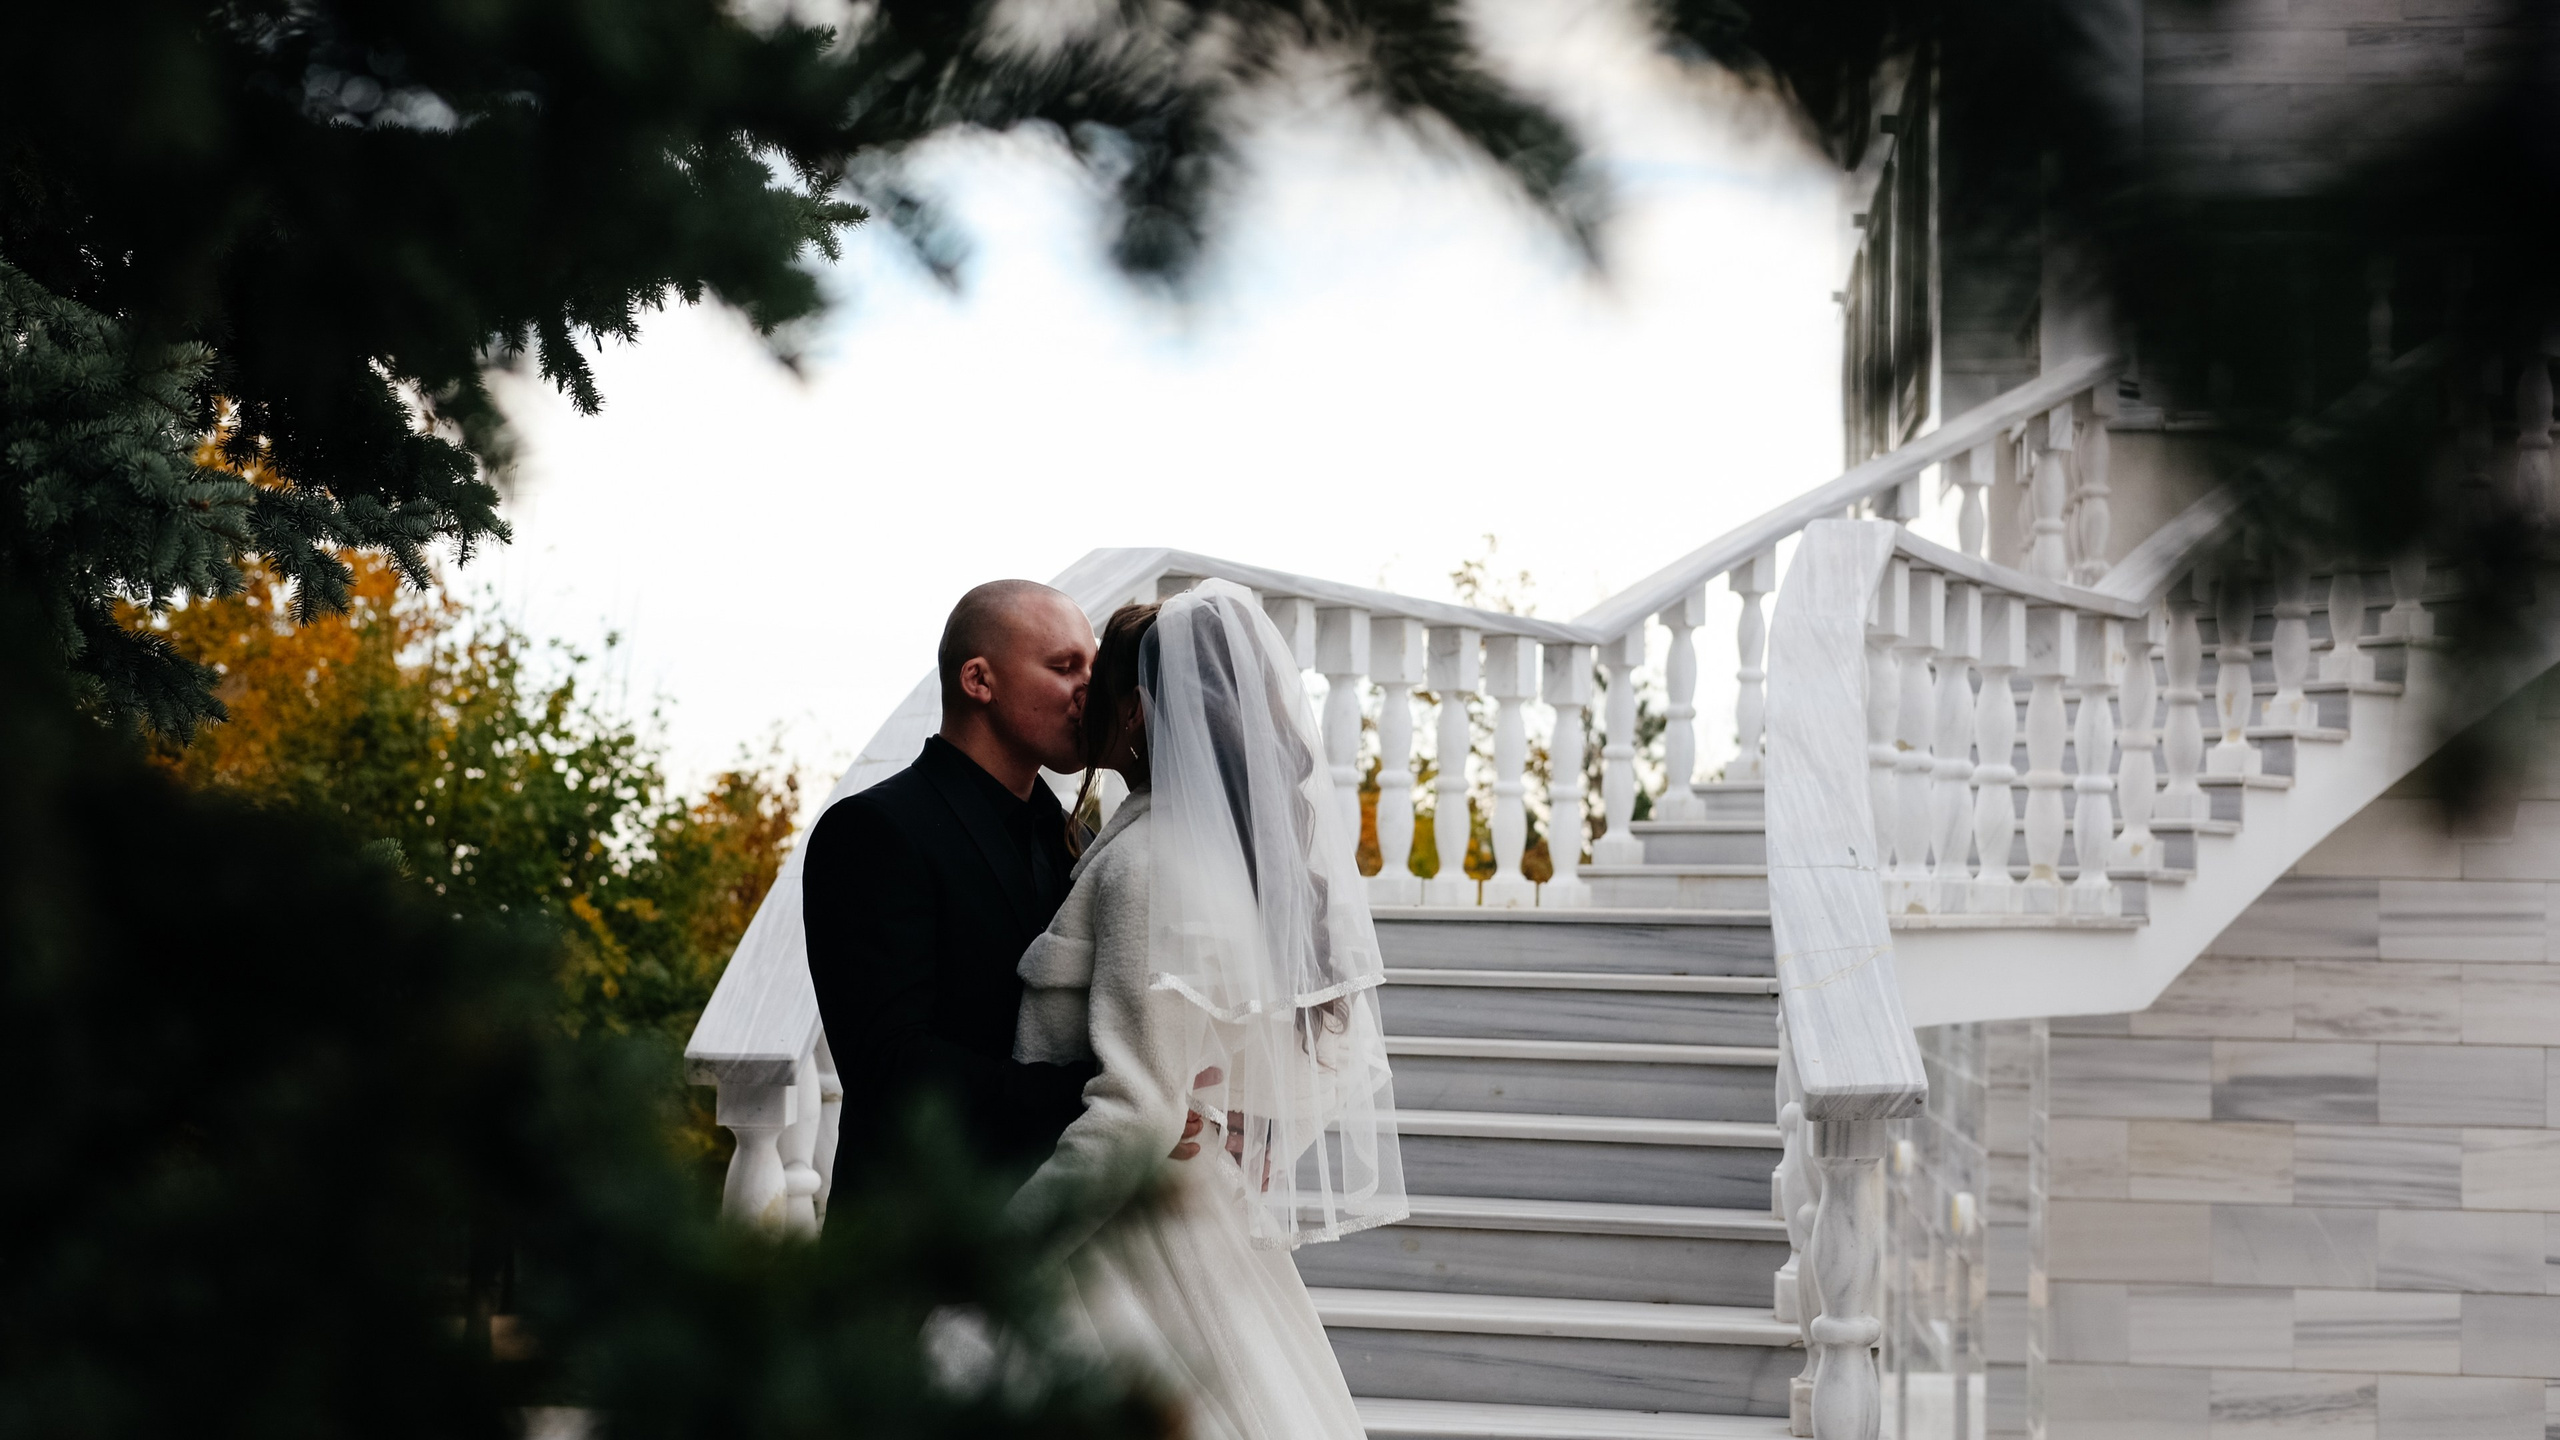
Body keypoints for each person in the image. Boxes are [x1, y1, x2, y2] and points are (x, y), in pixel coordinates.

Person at [1008, 580, 1407, 1440]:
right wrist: (1245, 1129)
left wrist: (995, 1258)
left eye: (1100, 684)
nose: (1082, 702)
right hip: (1194, 1219)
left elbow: (1137, 1109)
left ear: (1140, 713)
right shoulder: (1230, 859)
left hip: (1118, 1248)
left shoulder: (1149, 865)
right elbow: (1309, 1055)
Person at [801, 580, 1214, 1187]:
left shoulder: (1085, 834)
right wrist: (1115, 1101)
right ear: (979, 681)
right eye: (1064, 666)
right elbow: (891, 1066)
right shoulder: (872, 830)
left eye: (1094, 668)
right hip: (919, 1236)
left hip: (1072, 1226)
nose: (1090, 689)